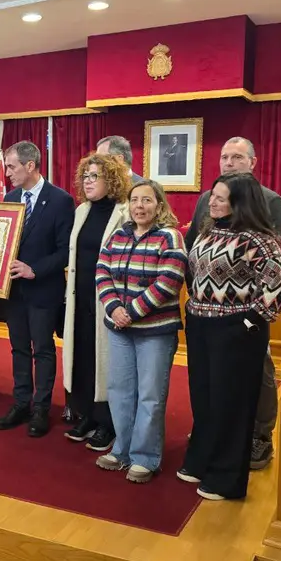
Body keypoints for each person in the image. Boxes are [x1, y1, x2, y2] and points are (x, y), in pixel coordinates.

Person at [179, 172, 281, 500]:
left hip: (237, 332)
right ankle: (201, 461)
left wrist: (247, 323)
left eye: (220, 197)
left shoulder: (259, 239)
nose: (211, 202)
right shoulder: (208, 231)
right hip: (201, 325)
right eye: (212, 195)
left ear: (239, 203)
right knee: (204, 399)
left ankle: (226, 478)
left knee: (231, 404)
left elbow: (278, 290)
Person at [94, 180, 186, 483]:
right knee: (119, 391)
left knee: (150, 396)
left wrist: (130, 312)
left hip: (155, 331)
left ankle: (145, 457)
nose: (139, 206)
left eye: (147, 200)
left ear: (159, 205)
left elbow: (168, 282)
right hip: (119, 328)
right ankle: (122, 449)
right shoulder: (118, 235)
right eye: (135, 200)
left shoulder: (170, 237)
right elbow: (102, 271)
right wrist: (113, 309)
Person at [0, 141, 75, 437]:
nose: (7, 173)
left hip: (44, 291)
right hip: (14, 292)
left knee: (42, 350)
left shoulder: (61, 200)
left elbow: (66, 250)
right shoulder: (12, 197)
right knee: (17, 349)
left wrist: (35, 270)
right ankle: (20, 403)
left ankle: (41, 408)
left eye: (12, 166)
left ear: (30, 166)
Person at [61, 154, 131, 452]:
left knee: (107, 362)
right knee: (84, 356)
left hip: (109, 300)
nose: (87, 182)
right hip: (79, 297)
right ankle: (87, 415)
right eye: (85, 177)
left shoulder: (124, 213)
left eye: (94, 177)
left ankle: (109, 423)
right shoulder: (81, 211)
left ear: (111, 180)